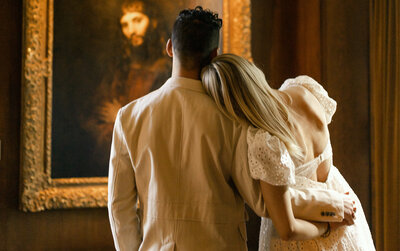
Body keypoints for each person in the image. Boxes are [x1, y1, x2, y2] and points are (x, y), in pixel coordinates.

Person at [108, 7, 355, 251]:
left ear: (170, 47)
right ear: (215, 53)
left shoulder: (128, 117)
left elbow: (119, 207)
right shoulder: (233, 116)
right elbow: (263, 201)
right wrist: (333, 203)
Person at [201, 53, 375, 250]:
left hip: (309, 235)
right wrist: (334, 213)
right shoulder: (304, 89)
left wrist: (327, 226)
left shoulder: (265, 141)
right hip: (347, 215)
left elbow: (288, 230)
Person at [83, 0, 171, 167]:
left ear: (152, 22)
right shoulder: (118, 69)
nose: (131, 30)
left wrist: (120, 117)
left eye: (137, 21)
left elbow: (161, 124)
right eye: (125, 24)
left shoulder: (164, 71)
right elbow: (98, 112)